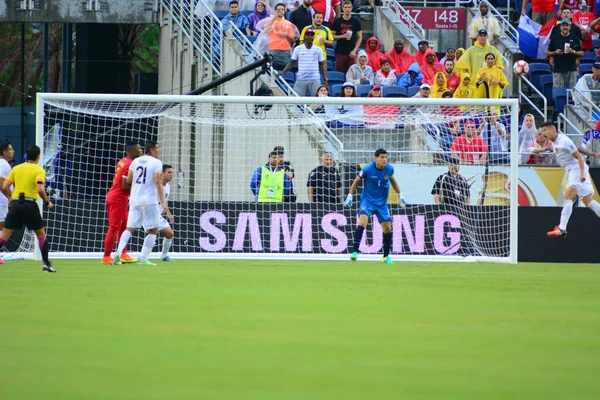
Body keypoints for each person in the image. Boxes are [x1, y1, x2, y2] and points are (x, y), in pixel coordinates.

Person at [344, 148, 406, 264]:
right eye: (382, 157)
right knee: (362, 222)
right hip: (367, 200)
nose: (384, 159)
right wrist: (350, 196)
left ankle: (386, 257)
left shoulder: (389, 169)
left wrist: (400, 195)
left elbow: (393, 181)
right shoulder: (367, 169)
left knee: (387, 229)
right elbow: (357, 181)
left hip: (382, 203)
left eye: (386, 157)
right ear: (376, 158)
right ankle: (354, 252)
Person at [113, 141, 169, 266]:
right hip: (149, 200)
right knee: (153, 229)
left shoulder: (135, 162)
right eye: (157, 148)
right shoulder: (156, 163)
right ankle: (143, 258)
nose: (159, 150)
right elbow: (157, 182)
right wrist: (163, 202)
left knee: (129, 228)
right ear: (152, 149)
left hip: (134, 199)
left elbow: (128, 180)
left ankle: (117, 252)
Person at [0, 145, 55, 272]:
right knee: (41, 235)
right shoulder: (38, 170)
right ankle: (46, 264)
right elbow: (40, 189)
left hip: (15, 205)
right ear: (38, 156)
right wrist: (47, 202)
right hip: (30, 204)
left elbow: (4, 187)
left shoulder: (16, 168)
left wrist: (12, 197)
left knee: (4, 237)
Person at [542, 122, 600, 237]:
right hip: (574, 170)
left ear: (553, 130)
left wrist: (582, 174)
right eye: (542, 131)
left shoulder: (564, 141)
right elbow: (576, 148)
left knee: (568, 196)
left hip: (577, 170)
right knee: (588, 200)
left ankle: (562, 228)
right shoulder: (555, 142)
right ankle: (562, 228)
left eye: (545, 130)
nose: (543, 133)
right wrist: (593, 154)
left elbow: (579, 157)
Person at [102, 142, 142, 265]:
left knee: (124, 225)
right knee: (114, 226)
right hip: (118, 198)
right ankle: (106, 256)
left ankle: (123, 253)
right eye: (139, 148)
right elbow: (125, 186)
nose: (141, 150)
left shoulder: (123, 161)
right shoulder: (129, 164)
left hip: (118, 196)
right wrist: (137, 189)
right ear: (132, 150)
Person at [278, 28, 327, 96]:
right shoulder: (298, 48)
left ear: (313, 37)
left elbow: (321, 64)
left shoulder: (318, 49)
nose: (310, 37)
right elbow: (292, 62)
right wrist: (283, 71)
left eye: (311, 35)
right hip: (301, 78)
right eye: (308, 35)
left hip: (315, 78)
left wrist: (324, 78)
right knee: (297, 100)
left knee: (316, 101)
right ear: (304, 37)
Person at [256, 4, 298, 70]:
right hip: (273, 51)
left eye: (282, 9)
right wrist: (273, 20)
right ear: (275, 11)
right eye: (278, 9)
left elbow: (292, 40)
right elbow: (265, 32)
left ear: (284, 11)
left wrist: (286, 35)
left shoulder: (289, 24)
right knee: (273, 71)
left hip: (285, 52)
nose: (280, 11)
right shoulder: (269, 21)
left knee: (285, 71)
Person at [148, 164, 176, 262]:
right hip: (147, 212)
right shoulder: (154, 185)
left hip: (157, 215)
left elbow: (164, 203)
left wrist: (169, 214)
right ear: (162, 173)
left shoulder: (168, 187)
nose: (171, 175)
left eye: (172, 172)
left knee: (169, 234)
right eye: (169, 172)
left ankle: (164, 256)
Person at [547, 19, 584, 88]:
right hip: (558, 69)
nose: (565, 27)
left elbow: (581, 53)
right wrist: (555, 52)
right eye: (563, 25)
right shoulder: (555, 39)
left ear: (570, 27)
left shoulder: (575, 38)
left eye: (567, 25)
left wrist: (572, 51)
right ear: (560, 27)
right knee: (558, 91)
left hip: (572, 69)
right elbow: (548, 52)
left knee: (572, 92)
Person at [331, 0, 362, 74]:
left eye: (349, 7)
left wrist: (355, 50)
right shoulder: (337, 21)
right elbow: (332, 36)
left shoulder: (356, 21)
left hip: (351, 52)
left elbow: (360, 37)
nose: (347, 9)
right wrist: (342, 36)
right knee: (340, 74)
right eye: (345, 7)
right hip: (340, 52)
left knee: (352, 74)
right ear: (342, 8)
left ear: (351, 8)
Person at [0, 141, 14, 236]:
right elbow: (1, 181)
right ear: (4, 152)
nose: (13, 151)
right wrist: (10, 197)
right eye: (10, 149)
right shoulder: (3, 164)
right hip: (1, 200)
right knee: (3, 226)